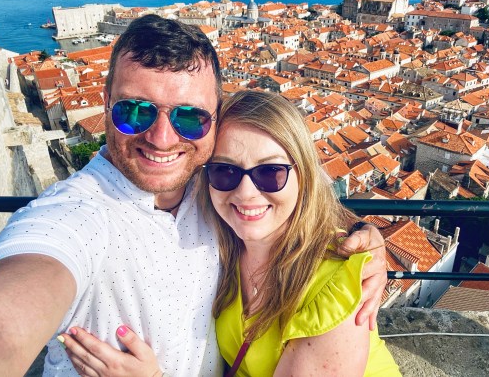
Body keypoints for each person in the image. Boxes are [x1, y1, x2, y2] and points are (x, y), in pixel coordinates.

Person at [0, 15, 388, 376]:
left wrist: (365, 234)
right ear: (106, 104)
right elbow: (2, 325)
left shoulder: (211, 183)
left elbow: (297, 195)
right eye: (135, 111)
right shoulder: (74, 214)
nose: (162, 139)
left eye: (189, 117)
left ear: (213, 120)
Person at [60, 90, 401, 376]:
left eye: (270, 172)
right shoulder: (225, 244)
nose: (246, 193)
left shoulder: (336, 289)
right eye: (225, 171)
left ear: (304, 176)